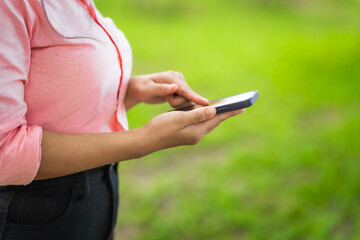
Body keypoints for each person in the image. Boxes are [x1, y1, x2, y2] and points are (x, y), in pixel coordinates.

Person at [0, 0, 244, 239]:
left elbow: (49, 95)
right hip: (30, 207)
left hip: (97, 189)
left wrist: (130, 90)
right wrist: (147, 139)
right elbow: (5, 150)